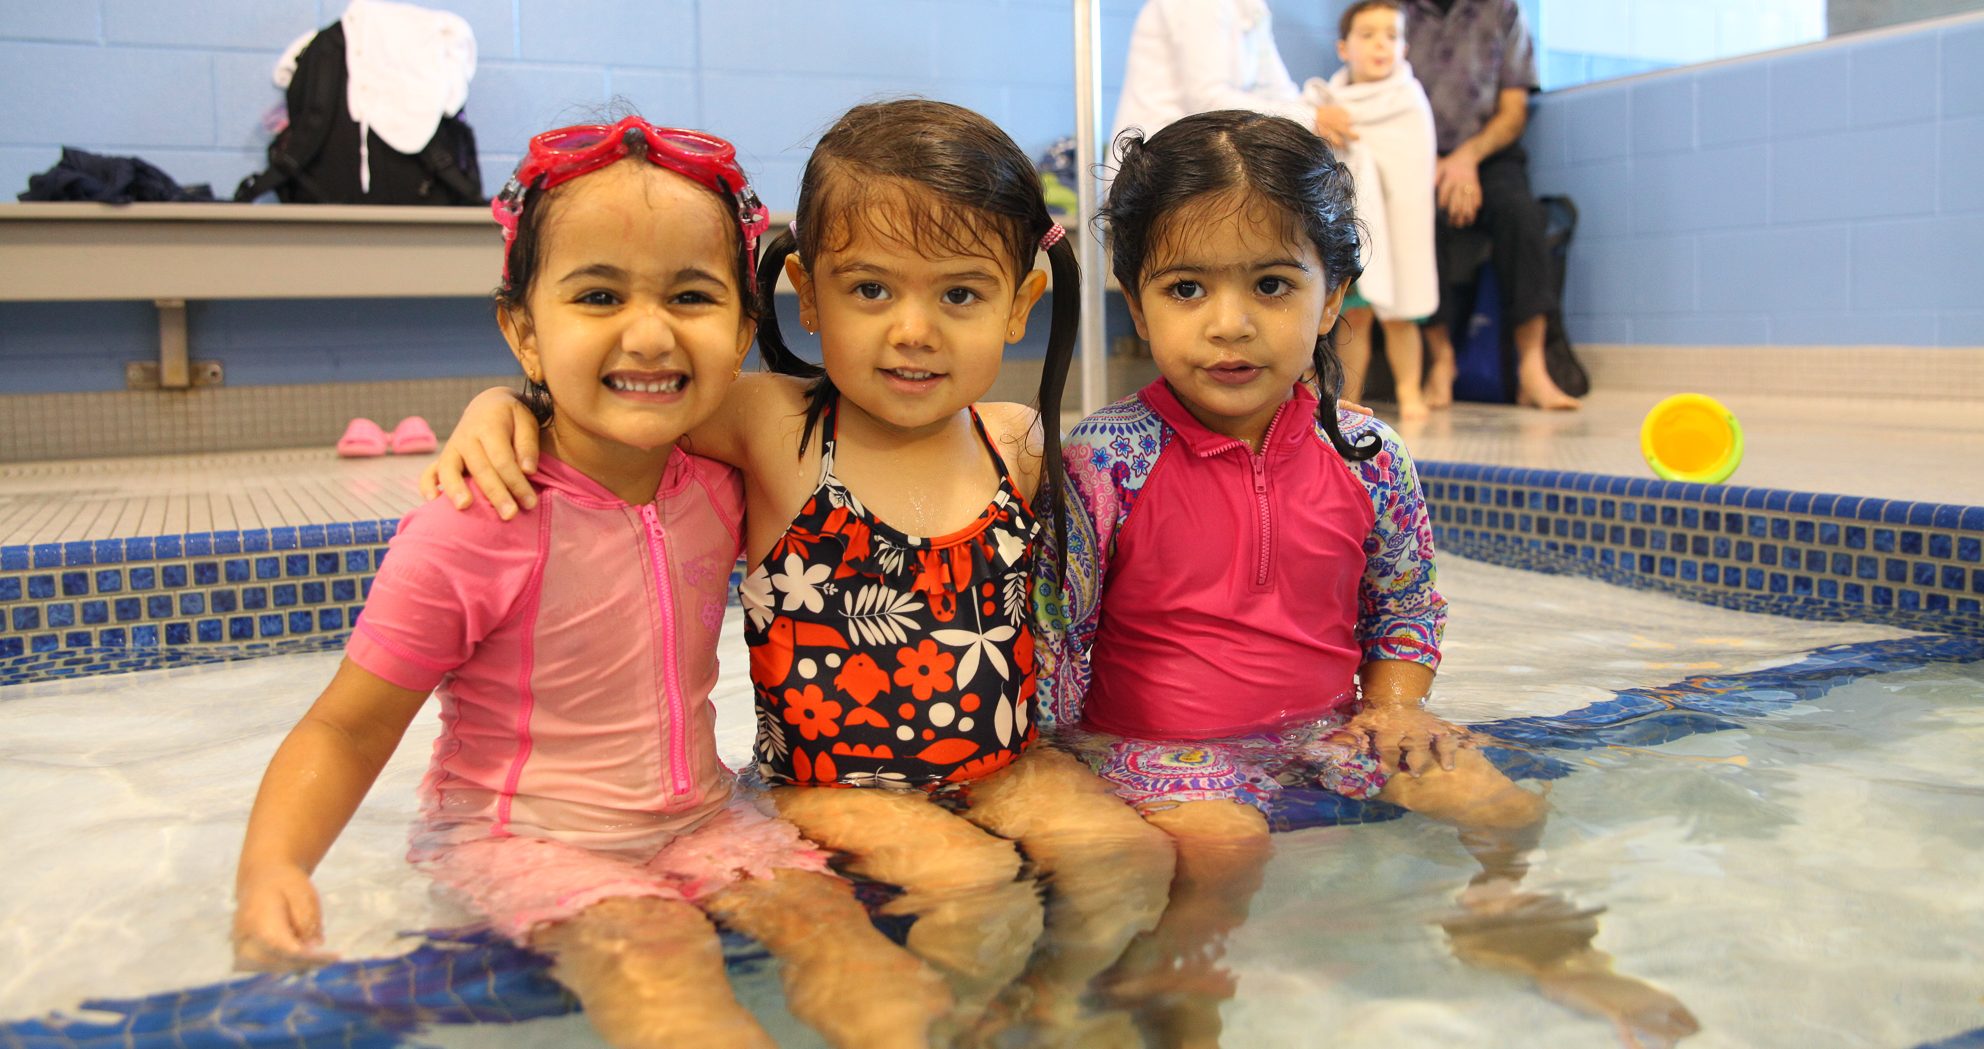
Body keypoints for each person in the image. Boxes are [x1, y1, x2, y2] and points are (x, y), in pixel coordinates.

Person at [421, 99, 1178, 1037]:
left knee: (1132, 856)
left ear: (1020, 304)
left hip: (1000, 761)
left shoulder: (1014, 441)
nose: (913, 330)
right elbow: (613, 407)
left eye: (960, 294)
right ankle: (947, 1021)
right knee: (977, 883)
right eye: (871, 291)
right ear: (806, 293)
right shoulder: (773, 425)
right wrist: (506, 405)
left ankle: (1055, 1001)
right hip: (828, 782)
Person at [230, 116, 950, 1049]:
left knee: (862, 960)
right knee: (662, 962)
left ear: (740, 332)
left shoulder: (724, 483)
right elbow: (348, 721)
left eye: (691, 296)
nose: (648, 335)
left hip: (700, 815)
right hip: (525, 839)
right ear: (524, 331)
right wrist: (273, 867)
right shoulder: (478, 520)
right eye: (599, 294)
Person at [1038, 109, 1696, 1048]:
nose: (1230, 325)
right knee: (1226, 850)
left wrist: (1395, 708)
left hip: (1324, 727)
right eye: (1187, 288)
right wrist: (1061, 768)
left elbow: (1404, 604)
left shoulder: (1365, 452)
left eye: (1271, 284)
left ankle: (1508, 920)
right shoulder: (1110, 458)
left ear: (1333, 293)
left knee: (1503, 800)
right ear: (1138, 306)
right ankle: (1179, 992)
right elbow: (1057, 631)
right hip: (1155, 749)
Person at [1402, 0, 1580, 410]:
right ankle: (1441, 360)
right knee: (1414, 222)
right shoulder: (1395, 12)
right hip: (1415, 156)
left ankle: (1533, 367)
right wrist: (1434, 164)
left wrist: (1466, 159)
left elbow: (1514, 112)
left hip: (1489, 154)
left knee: (1522, 216)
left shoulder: (1501, 10)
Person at [1302, 0, 1439, 421]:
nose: (1382, 44)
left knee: (1401, 317)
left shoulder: (1409, 100)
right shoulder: (1328, 103)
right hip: (1356, 227)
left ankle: (1410, 391)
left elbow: (1414, 163)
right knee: (1354, 317)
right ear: (1344, 48)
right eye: (1368, 35)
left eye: (1392, 36)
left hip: (1400, 225)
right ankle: (1348, 398)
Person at [1111, 0, 1354, 152]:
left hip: (1201, 160)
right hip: (1159, 166)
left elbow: (1277, 87)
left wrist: (1317, 115)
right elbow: (1207, 100)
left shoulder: (1252, 6)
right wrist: (1311, 119)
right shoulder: (1197, 5)